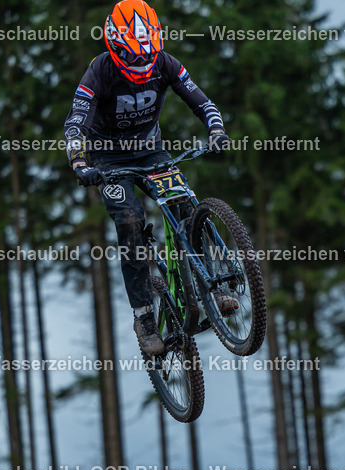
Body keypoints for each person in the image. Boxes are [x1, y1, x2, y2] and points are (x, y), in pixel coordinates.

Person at [64, 0, 235, 356]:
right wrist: (81, 163)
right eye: (133, 57)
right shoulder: (99, 70)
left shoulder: (167, 63)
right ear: (115, 44)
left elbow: (202, 102)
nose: (142, 64)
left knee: (185, 204)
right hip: (108, 157)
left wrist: (216, 130)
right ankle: (144, 317)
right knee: (130, 222)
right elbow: (76, 122)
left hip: (150, 150)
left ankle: (213, 282)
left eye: (147, 56)